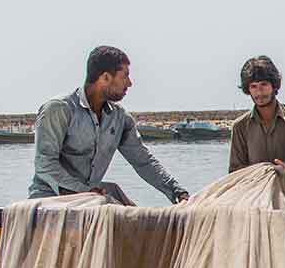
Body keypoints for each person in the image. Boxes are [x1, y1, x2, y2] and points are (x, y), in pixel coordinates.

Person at [29, 45, 191, 203]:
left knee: (133, 214)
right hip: (50, 201)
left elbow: (144, 162)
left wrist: (177, 191)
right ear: (105, 77)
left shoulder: (120, 118)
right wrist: (85, 192)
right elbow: (45, 164)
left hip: (92, 200)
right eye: (125, 76)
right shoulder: (59, 109)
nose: (129, 83)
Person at [227, 55, 285, 210]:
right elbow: (236, 171)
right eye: (253, 86)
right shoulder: (240, 127)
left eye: (264, 85)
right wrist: (265, 174)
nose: (259, 92)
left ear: (274, 86)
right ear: (247, 89)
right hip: (260, 209)